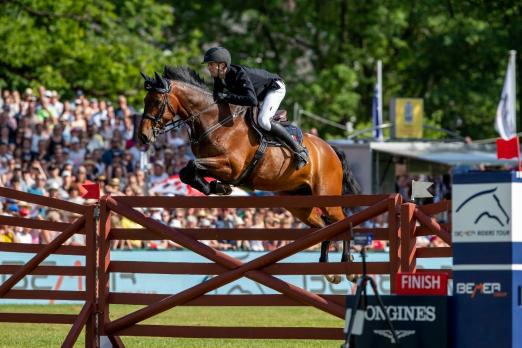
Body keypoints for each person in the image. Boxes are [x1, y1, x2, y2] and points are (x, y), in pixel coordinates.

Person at [202, 47, 309, 169]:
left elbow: (251, 100)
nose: (208, 67)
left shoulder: (239, 74)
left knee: (263, 121)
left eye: (211, 64)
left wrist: (227, 96)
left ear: (222, 65)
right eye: (208, 65)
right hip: (259, 94)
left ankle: (299, 150)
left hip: (274, 88)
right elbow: (217, 98)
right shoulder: (219, 78)